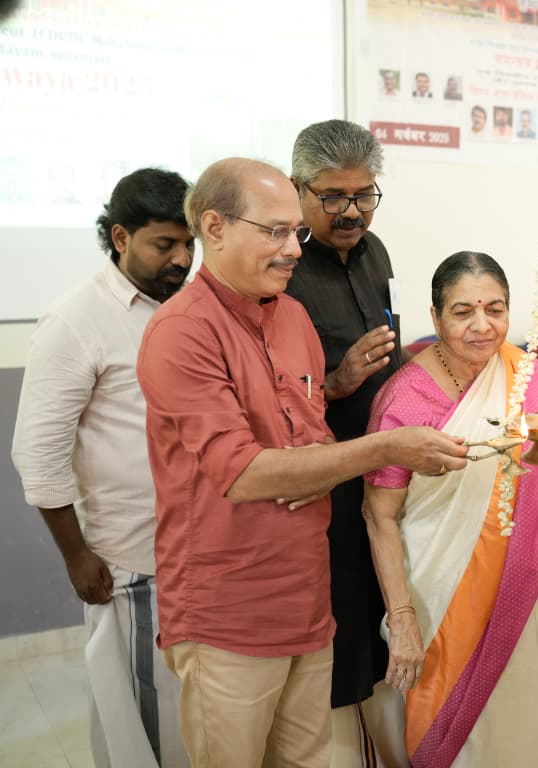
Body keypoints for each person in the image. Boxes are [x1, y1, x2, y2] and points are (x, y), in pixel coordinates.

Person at [136, 157, 468, 768]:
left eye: (295, 231)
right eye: (275, 232)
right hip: (229, 612)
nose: (294, 249)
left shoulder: (291, 317)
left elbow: (311, 441)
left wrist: (308, 464)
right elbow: (243, 474)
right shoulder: (181, 331)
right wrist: (386, 448)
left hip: (309, 599)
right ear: (214, 228)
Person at [363, 251, 538, 767]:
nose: (482, 326)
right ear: (436, 319)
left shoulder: (529, 376)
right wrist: (402, 618)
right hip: (438, 599)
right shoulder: (404, 398)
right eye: (463, 312)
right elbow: (378, 515)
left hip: (521, 587)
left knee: (521, 731)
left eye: (495, 309)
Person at [11, 168, 194, 768]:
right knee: (146, 726)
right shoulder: (77, 319)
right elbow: (38, 453)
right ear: (120, 237)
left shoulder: (189, 309)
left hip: (201, 552)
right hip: (133, 561)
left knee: (191, 726)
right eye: (164, 244)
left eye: (189, 243)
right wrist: (77, 556)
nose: (182, 258)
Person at [285, 119, 405, 767]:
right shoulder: (282, 271)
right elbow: (267, 402)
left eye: (364, 194)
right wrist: (336, 383)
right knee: (337, 636)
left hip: (386, 478)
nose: (352, 211)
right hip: (320, 488)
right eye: (333, 196)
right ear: (298, 190)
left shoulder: (376, 252)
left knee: (385, 630)